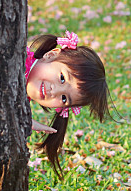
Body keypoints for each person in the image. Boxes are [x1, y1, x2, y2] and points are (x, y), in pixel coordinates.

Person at [26, 31, 113, 179]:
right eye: (62, 78)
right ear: (51, 55)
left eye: (64, 98)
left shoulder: (19, 98)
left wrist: (21, 120)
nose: (55, 91)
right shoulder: (16, 60)